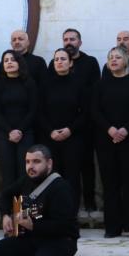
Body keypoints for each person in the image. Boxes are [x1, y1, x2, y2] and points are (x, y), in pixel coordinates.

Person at [92, 46, 129, 239]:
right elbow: (95, 111)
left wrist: (126, 129)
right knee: (110, 184)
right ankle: (112, 227)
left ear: (126, 61)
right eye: (110, 58)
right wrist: (110, 129)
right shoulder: (100, 85)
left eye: (117, 57)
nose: (113, 60)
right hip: (106, 140)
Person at [55, 28, 100, 210]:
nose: (69, 42)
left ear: (79, 42)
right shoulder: (55, 65)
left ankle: (89, 201)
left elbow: (96, 92)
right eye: (65, 39)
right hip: (60, 126)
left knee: (86, 165)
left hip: (85, 123)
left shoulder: (90, 62)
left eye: (72, 39)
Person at [37, 49, 88, 201]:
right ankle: (53, 212)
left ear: (70, 63)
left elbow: (85, 112)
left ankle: (71, 213)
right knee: (51, 176)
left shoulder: (80, 83)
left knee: (72, 176)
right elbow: (39, 112)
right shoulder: (45, 84)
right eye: (56, 59)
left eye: (63, 59)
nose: (59, 62)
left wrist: (70, 130)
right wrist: (51, 131)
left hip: (73, 137)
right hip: (50, 138)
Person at [0, 50, 38, 191]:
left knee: (25, 173)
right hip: (4, 135)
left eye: (13, 59)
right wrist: (10, 131)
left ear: (19, 62)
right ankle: (8, 210)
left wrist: (19, 130)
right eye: (6, 60)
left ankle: (23, 210)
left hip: (25, 133)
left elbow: (33, 110)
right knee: (7, 174)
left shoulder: (29, 83)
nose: (9, 63)